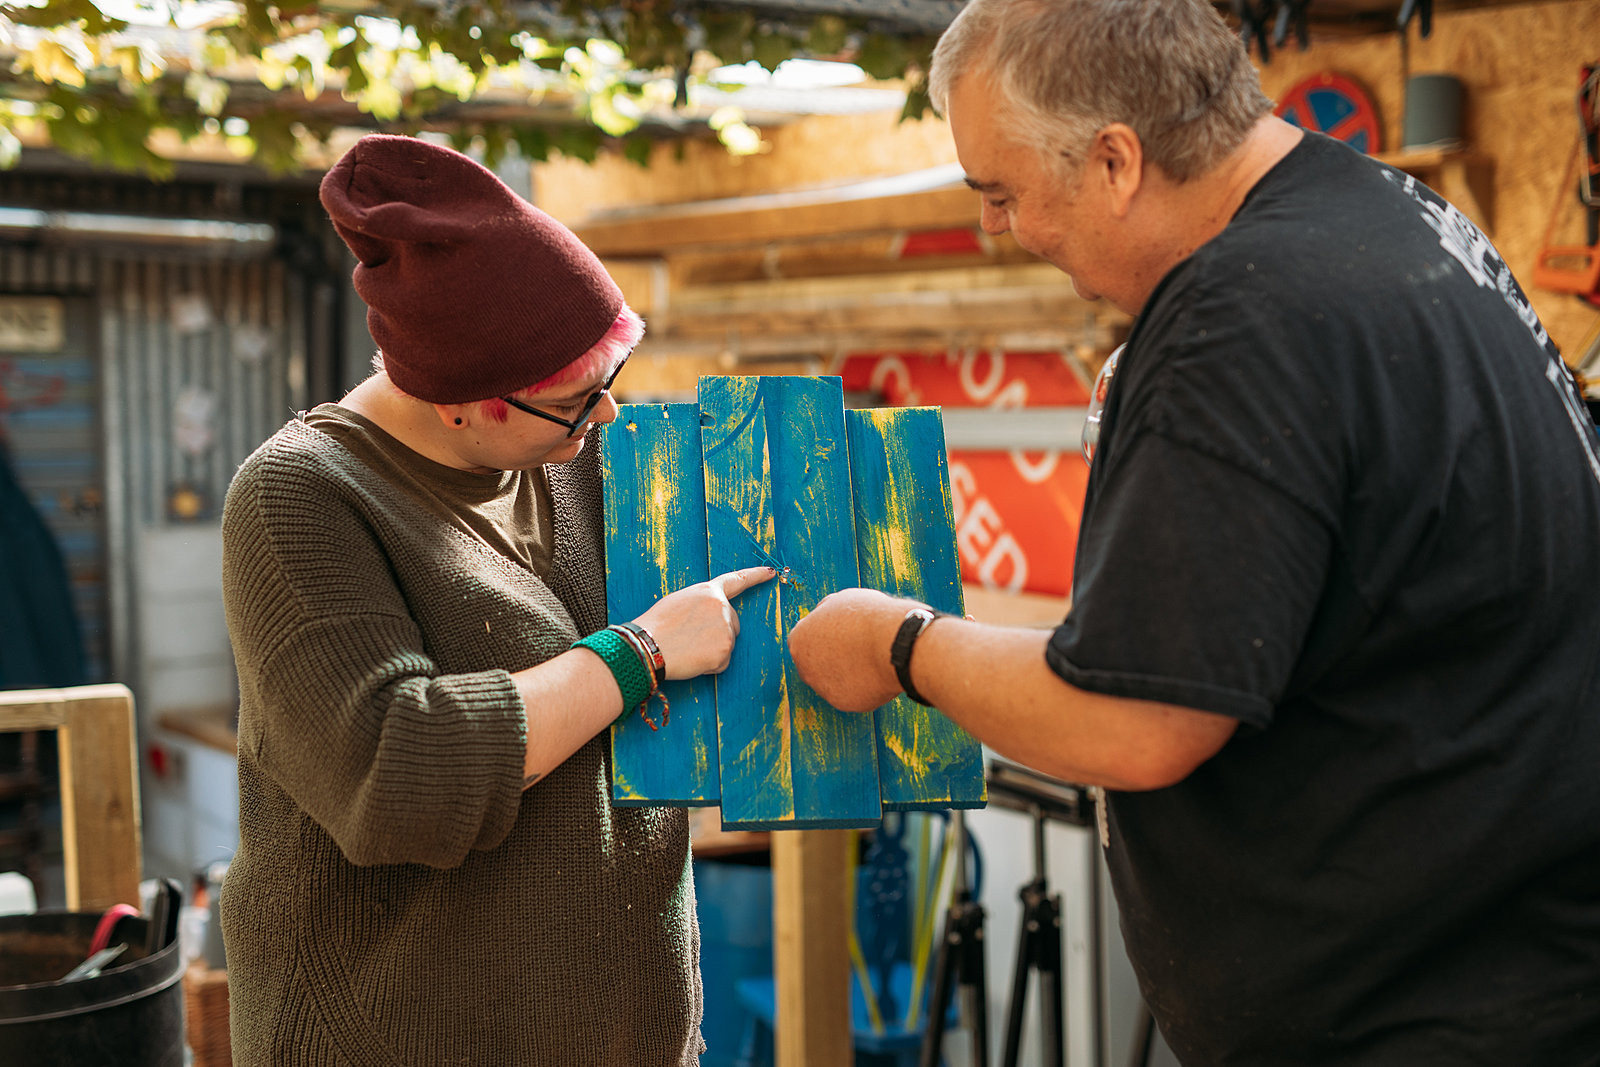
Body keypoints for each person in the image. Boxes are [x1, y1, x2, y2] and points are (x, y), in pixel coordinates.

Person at [789, 1, 1600, 1063]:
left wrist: (895, 642)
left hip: (1423, 1016)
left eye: (1003, 191)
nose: (1001, 227)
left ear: (1116, 161)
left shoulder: (1241, 317)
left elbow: (1134, 721)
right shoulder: (1389, 217)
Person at [219, 133, 773, 1066]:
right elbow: (398, 774)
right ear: (460, 401)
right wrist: (636, 653)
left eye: (609, 380)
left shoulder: (587, 461)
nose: (603, 414)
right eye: (572, 398)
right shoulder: (299, 498)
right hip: (401, 1037)